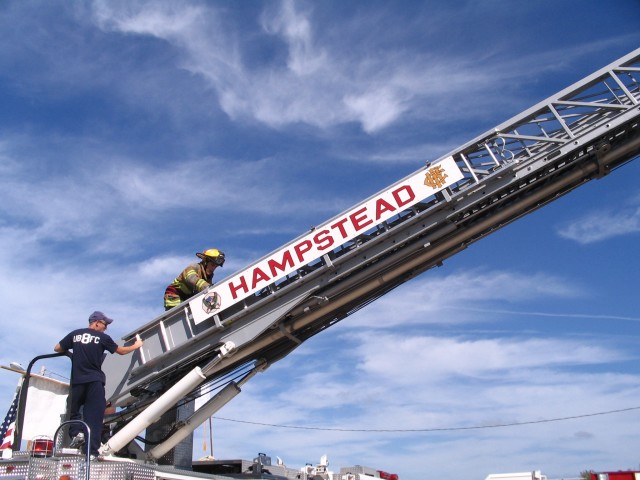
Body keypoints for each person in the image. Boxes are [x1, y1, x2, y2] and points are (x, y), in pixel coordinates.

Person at [54, 311, 143, 457]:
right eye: (105, 324)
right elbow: (121, 351)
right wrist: (137, 345)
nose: (106, 328)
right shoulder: (102, 338)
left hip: (77, 381)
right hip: (94, 381)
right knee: (94, 416)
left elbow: (57, 348)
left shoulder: (75, 334)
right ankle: (91, 451)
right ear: (96, 322)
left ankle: (76, 434)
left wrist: (72, 348)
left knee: (75, 411)